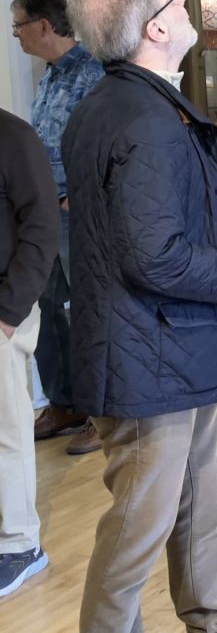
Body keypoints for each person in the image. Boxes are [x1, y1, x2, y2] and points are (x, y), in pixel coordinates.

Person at [63, 0, 217, 632]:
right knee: (140, 524)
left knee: (200, 502)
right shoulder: (144, 118)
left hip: (174, 345)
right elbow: (154, 255)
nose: (189, 3)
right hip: (148, 353)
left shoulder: (136, 105)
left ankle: (216, 617)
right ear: (154, 29)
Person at [11, 0, 105, 454]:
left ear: (44, 25)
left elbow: (102, 146)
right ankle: (64, 403)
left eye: (18, 25)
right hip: (44, 213)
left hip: (76, 213)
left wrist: (76, 198)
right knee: (45, 308)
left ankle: (102, 413)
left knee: (87, 311)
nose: (15, 35)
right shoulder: (50, 76)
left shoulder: (94, 74)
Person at [0, 109, 58, 598]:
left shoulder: (13, 136)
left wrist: (9, 311)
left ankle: (21, 546)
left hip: (3, 307)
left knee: (7, 430)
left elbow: (42, 228)